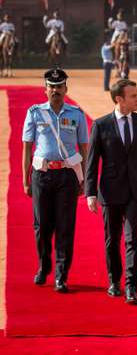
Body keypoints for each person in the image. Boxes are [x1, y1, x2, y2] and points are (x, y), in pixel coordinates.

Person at [85, 79, 137, 304]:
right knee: (112, 239)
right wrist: (90, 194)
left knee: (133, 239)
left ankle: (131, 287)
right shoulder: (101, 125)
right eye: (134, 96)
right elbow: (92, 163)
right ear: (119, 99)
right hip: (110, 192)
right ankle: (113, 281)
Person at [22, 68, 88, 293]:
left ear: (66, 89)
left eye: (59, 87)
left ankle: (61, 275)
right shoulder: (34, 113)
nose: (55, 90)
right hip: (42, 175)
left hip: (67, 176)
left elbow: (84, 148)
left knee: (65, 226)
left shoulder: (77, 114)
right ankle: (44, 266)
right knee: (41, 225)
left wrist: (85, 178)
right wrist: (26, 179)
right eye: (51, 87)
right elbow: (27, 148)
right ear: (45, 90)